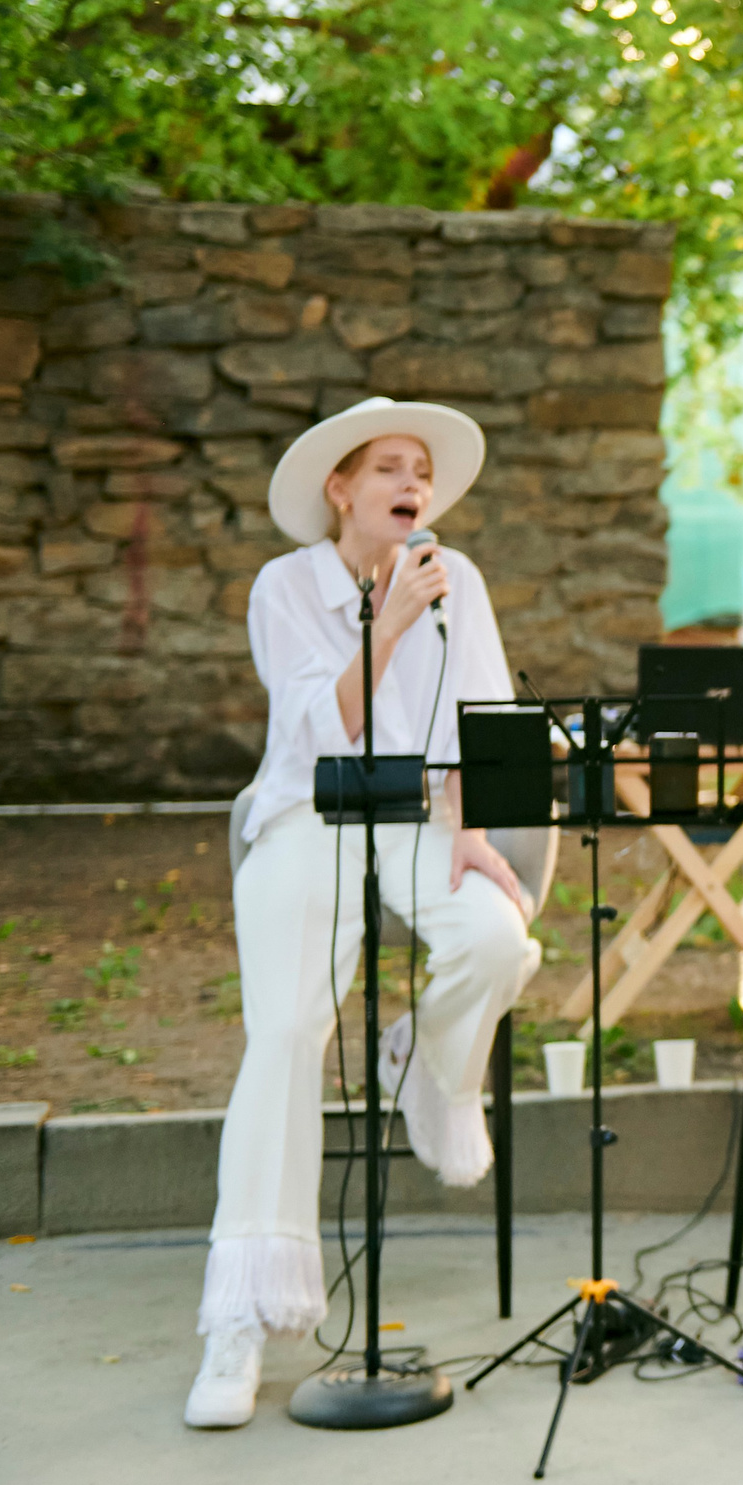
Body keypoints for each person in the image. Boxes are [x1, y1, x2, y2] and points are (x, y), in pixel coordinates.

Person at [184, 397, 540, 1430]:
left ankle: (428, 1065)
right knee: (287, 1031)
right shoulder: (283, 587)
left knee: (495, 936)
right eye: (389, 464)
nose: (410, 481)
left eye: (420, 467)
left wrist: (474, 832)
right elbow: (316, 727)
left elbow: (480, 710)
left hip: (424, 814)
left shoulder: (454, 578)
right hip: (312, 811)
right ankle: (241, 1320)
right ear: (341, 488)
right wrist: (382, 625)